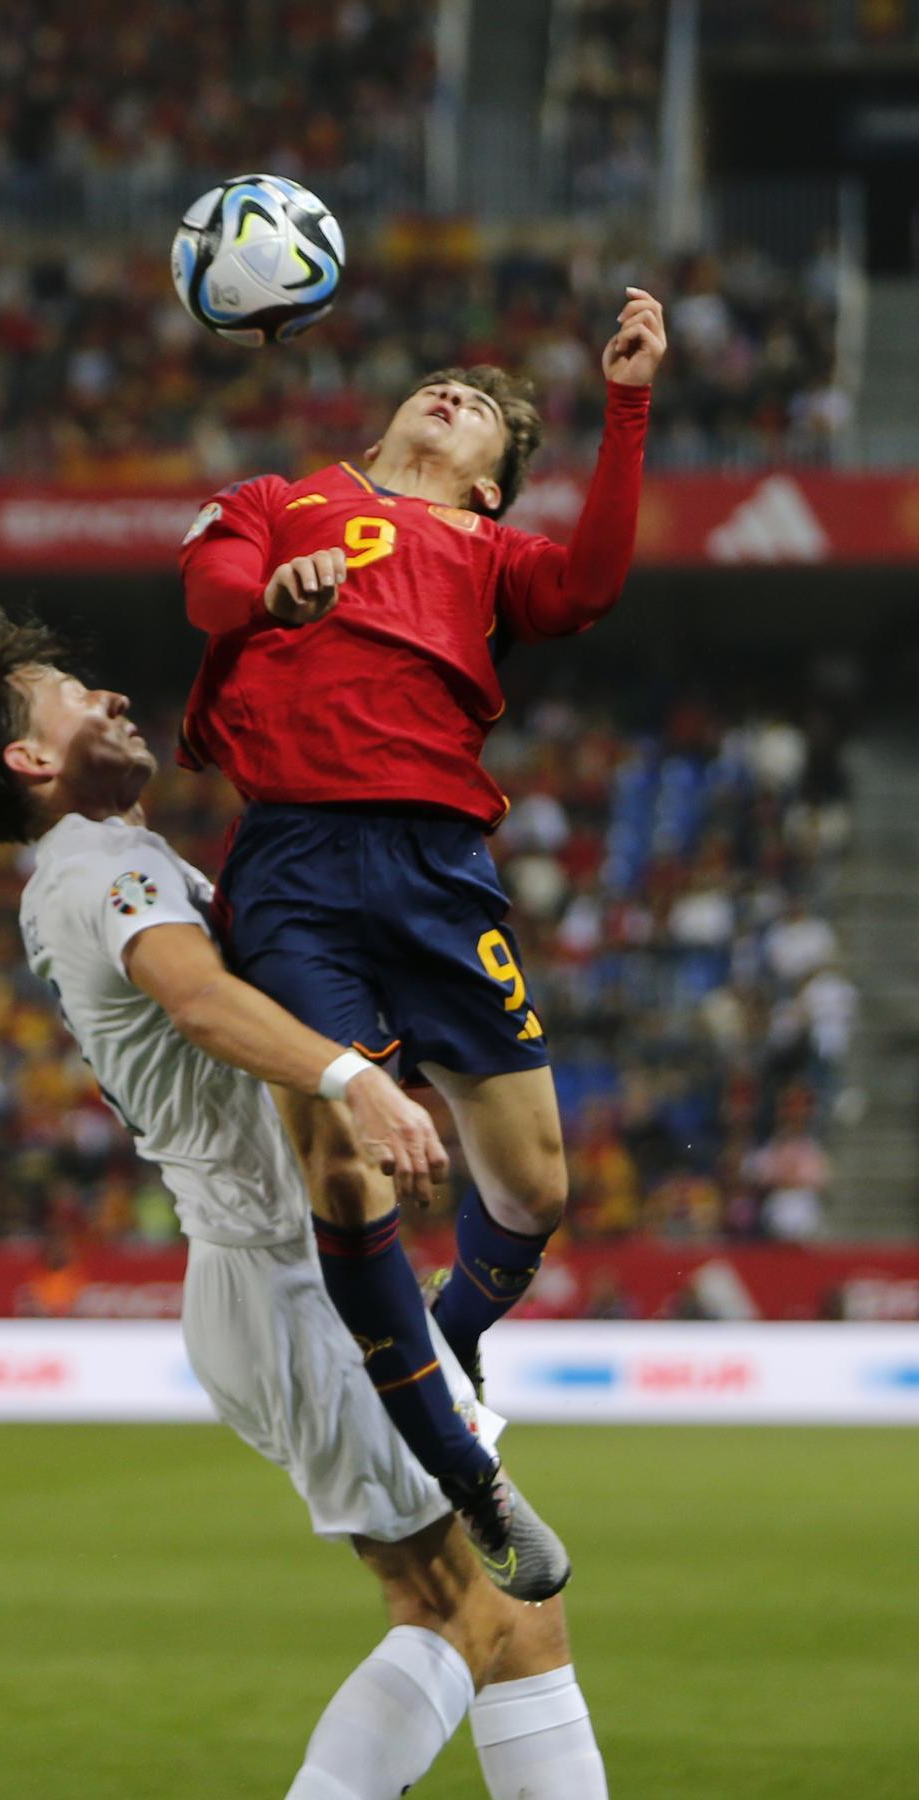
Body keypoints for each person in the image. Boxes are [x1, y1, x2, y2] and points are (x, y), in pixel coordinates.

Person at [0, 606, 607, 1799]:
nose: (112, 699)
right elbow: (197, 1001)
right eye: (72, 695)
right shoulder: (105, 867)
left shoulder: (98, 868)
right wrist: (355, 1081)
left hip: (271, 1283)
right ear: (30, 760)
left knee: (491, 1616)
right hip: (293, 1286)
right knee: (479, 1615)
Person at [178, 290, 666, 1550]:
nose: (456, 395)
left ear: (494, 489)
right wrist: (271, 597)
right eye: (443, 384)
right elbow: (212, 590)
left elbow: (593, 586)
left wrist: (626, 405)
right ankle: (465, 1472)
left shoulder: (491, 556)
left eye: (489, 413)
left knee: (537, 1186)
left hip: (439, 867)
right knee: (345, 1167)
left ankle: (435, 1357)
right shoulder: (280, 502)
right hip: (290, 863)